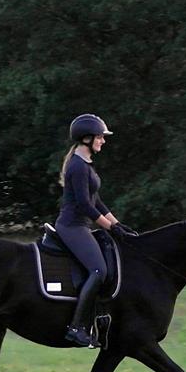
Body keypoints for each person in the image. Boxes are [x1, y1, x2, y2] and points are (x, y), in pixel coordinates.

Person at [56, 113, 122, 348]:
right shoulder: (77, 166)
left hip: (82, 225)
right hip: (72, 226)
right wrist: (108, 226)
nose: (103, 141)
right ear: (87, 138)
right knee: (98, 270)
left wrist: (117, 225)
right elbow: (84, 205)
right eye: (100, 137)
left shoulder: (85, 164)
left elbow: (97, 201)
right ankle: (76, 328)